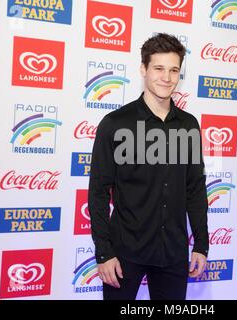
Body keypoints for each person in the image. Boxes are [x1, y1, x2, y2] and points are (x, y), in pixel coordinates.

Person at [88, 33, 209, 300]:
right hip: (124, 253)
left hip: (173, 255)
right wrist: (104, 252)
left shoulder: (188, 125)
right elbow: (98, 192)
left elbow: (195, 190)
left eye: (174, 70)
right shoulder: (116, 124)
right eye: (159, 68)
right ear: (143, 69)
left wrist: (201, 244)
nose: (167, 77)